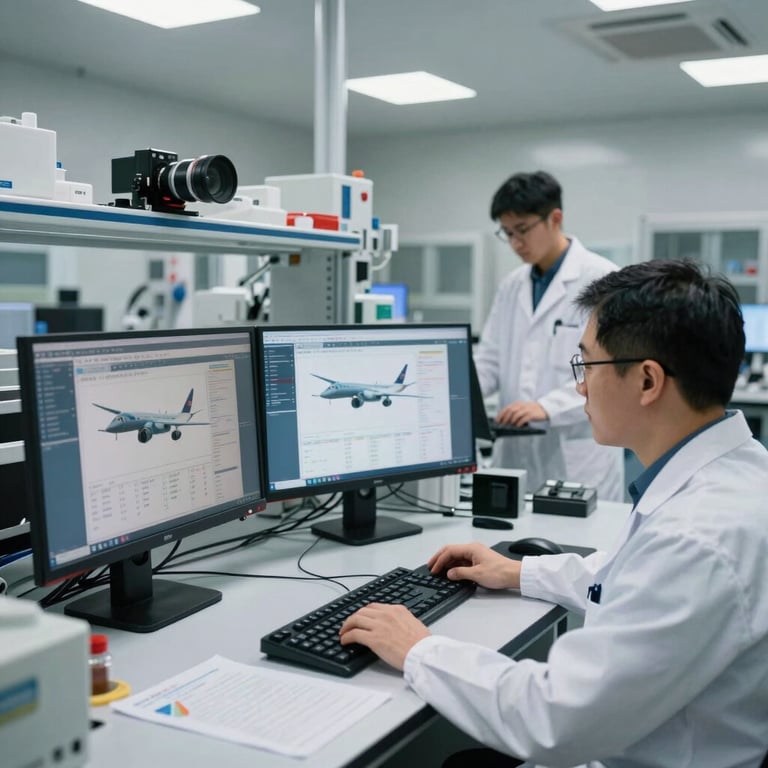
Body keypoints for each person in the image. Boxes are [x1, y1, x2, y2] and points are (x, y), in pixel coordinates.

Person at [340, 260, 768, 767]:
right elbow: (632, 580)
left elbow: (552, 720)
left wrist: (418, 649)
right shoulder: (739, 472)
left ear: (648, 381)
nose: (580, 387)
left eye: (586, 365)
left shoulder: (696, 538)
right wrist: (521, 571)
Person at [475, 170, 624, 500]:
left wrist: (546, 407)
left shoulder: (602, 279)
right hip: (515, 453)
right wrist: (459, 397)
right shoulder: (512, 286)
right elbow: (489, 360)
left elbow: (612, 370)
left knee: (583, 548)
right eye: (508, 233)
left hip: (576, 455)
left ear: (555, 218)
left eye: (523, 230)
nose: (516, 243)